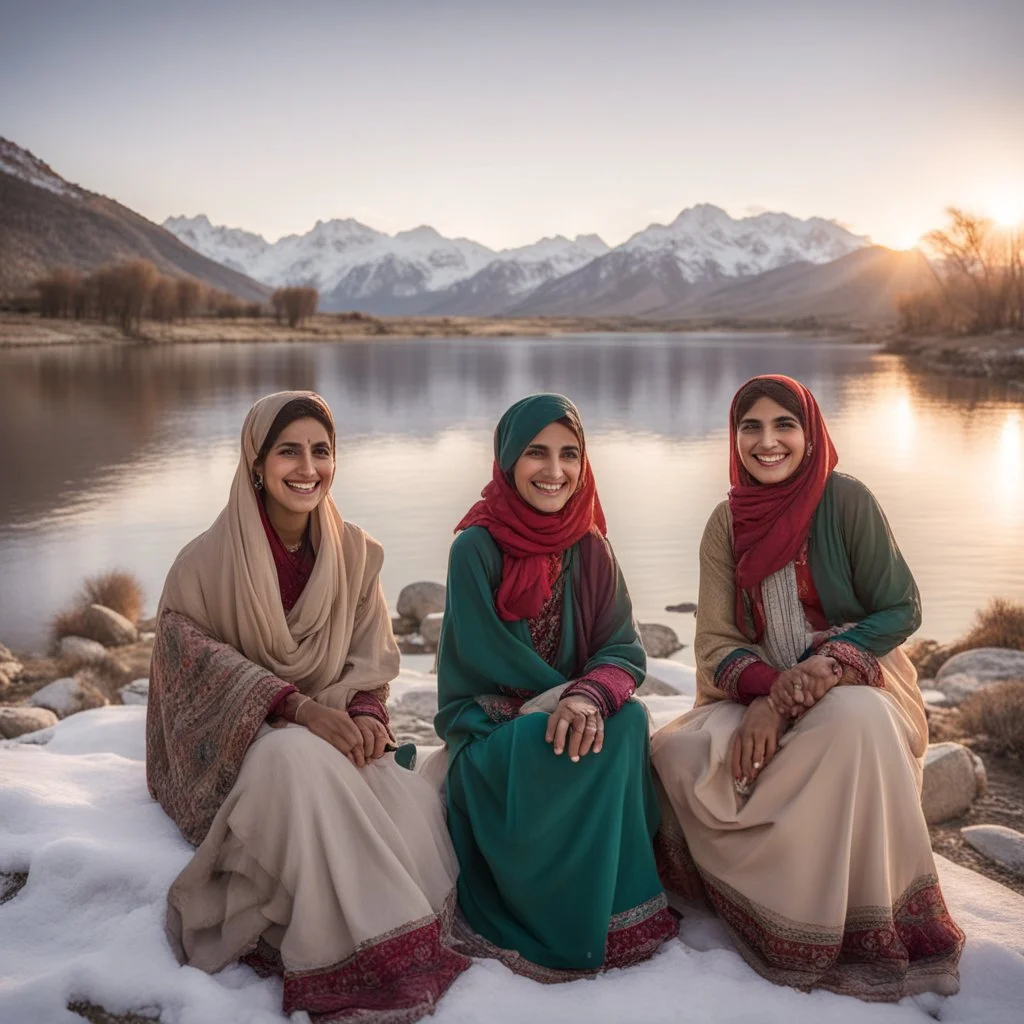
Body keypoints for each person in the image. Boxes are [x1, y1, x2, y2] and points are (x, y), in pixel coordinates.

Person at [146, 391, 469, 1023]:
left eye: (322, 451)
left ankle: (393, 940)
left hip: (330, 737)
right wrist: (294, 708)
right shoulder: (203, 564)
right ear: (256, 463)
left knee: (407, 801)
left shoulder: (354, 552)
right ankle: (347, 960)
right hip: (245, 748)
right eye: (288, 451)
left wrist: (369, 717)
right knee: (294, 757)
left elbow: (369, 659)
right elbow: (186, 669)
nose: (307, 467)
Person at [651, 374, 964, 1002]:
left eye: (784, 425)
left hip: (856, 675)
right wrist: (768, 692)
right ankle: (756, 901)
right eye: (751, 427)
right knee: (675, 755)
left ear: (810, 431)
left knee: (855, 725)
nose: (768, 443)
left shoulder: (845, 500)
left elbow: (899, 608)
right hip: (757, 680)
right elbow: (714, 641)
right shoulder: (726, 522)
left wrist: (822, 668)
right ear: (734, 438)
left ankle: (845, 916)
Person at [434, 393, 677, 982]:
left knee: (629, 719)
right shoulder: (475, 547)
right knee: (586, 728)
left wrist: (588, 695)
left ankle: (617, 912)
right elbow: (489, 658)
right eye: (537, 453)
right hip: (493, 729)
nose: (555, 470)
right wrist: (568, 696)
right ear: (509, 459)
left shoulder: (591, 545)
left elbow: (624, 648)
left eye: (570, 454)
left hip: (572, 711)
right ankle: (546, 912)